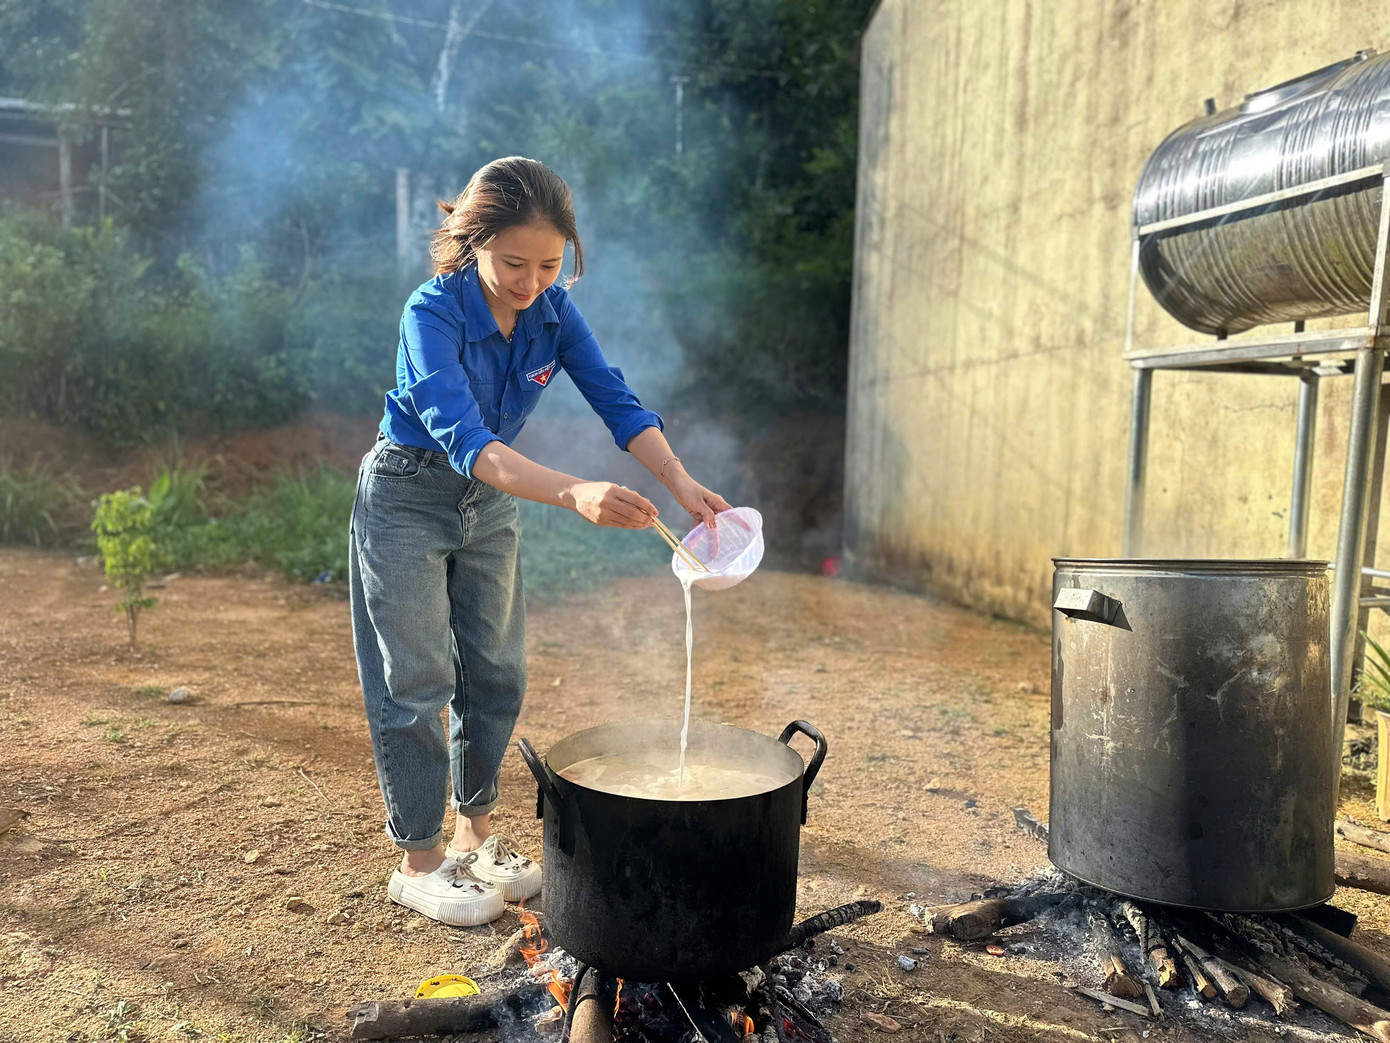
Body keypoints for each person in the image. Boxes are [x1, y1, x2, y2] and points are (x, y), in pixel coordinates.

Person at [349, 156, 731, 927]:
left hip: (490, 506)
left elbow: (616, 401)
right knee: (418, 675)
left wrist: (680, 482)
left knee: (497, 670)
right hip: (407, 494)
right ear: (474, 241)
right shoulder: (432, 311)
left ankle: (474, 835)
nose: (531, 281)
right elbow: (470, 444)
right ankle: (420, 861)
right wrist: (574, 491)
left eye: (550, 263)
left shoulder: (554, 312)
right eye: (514, 262)